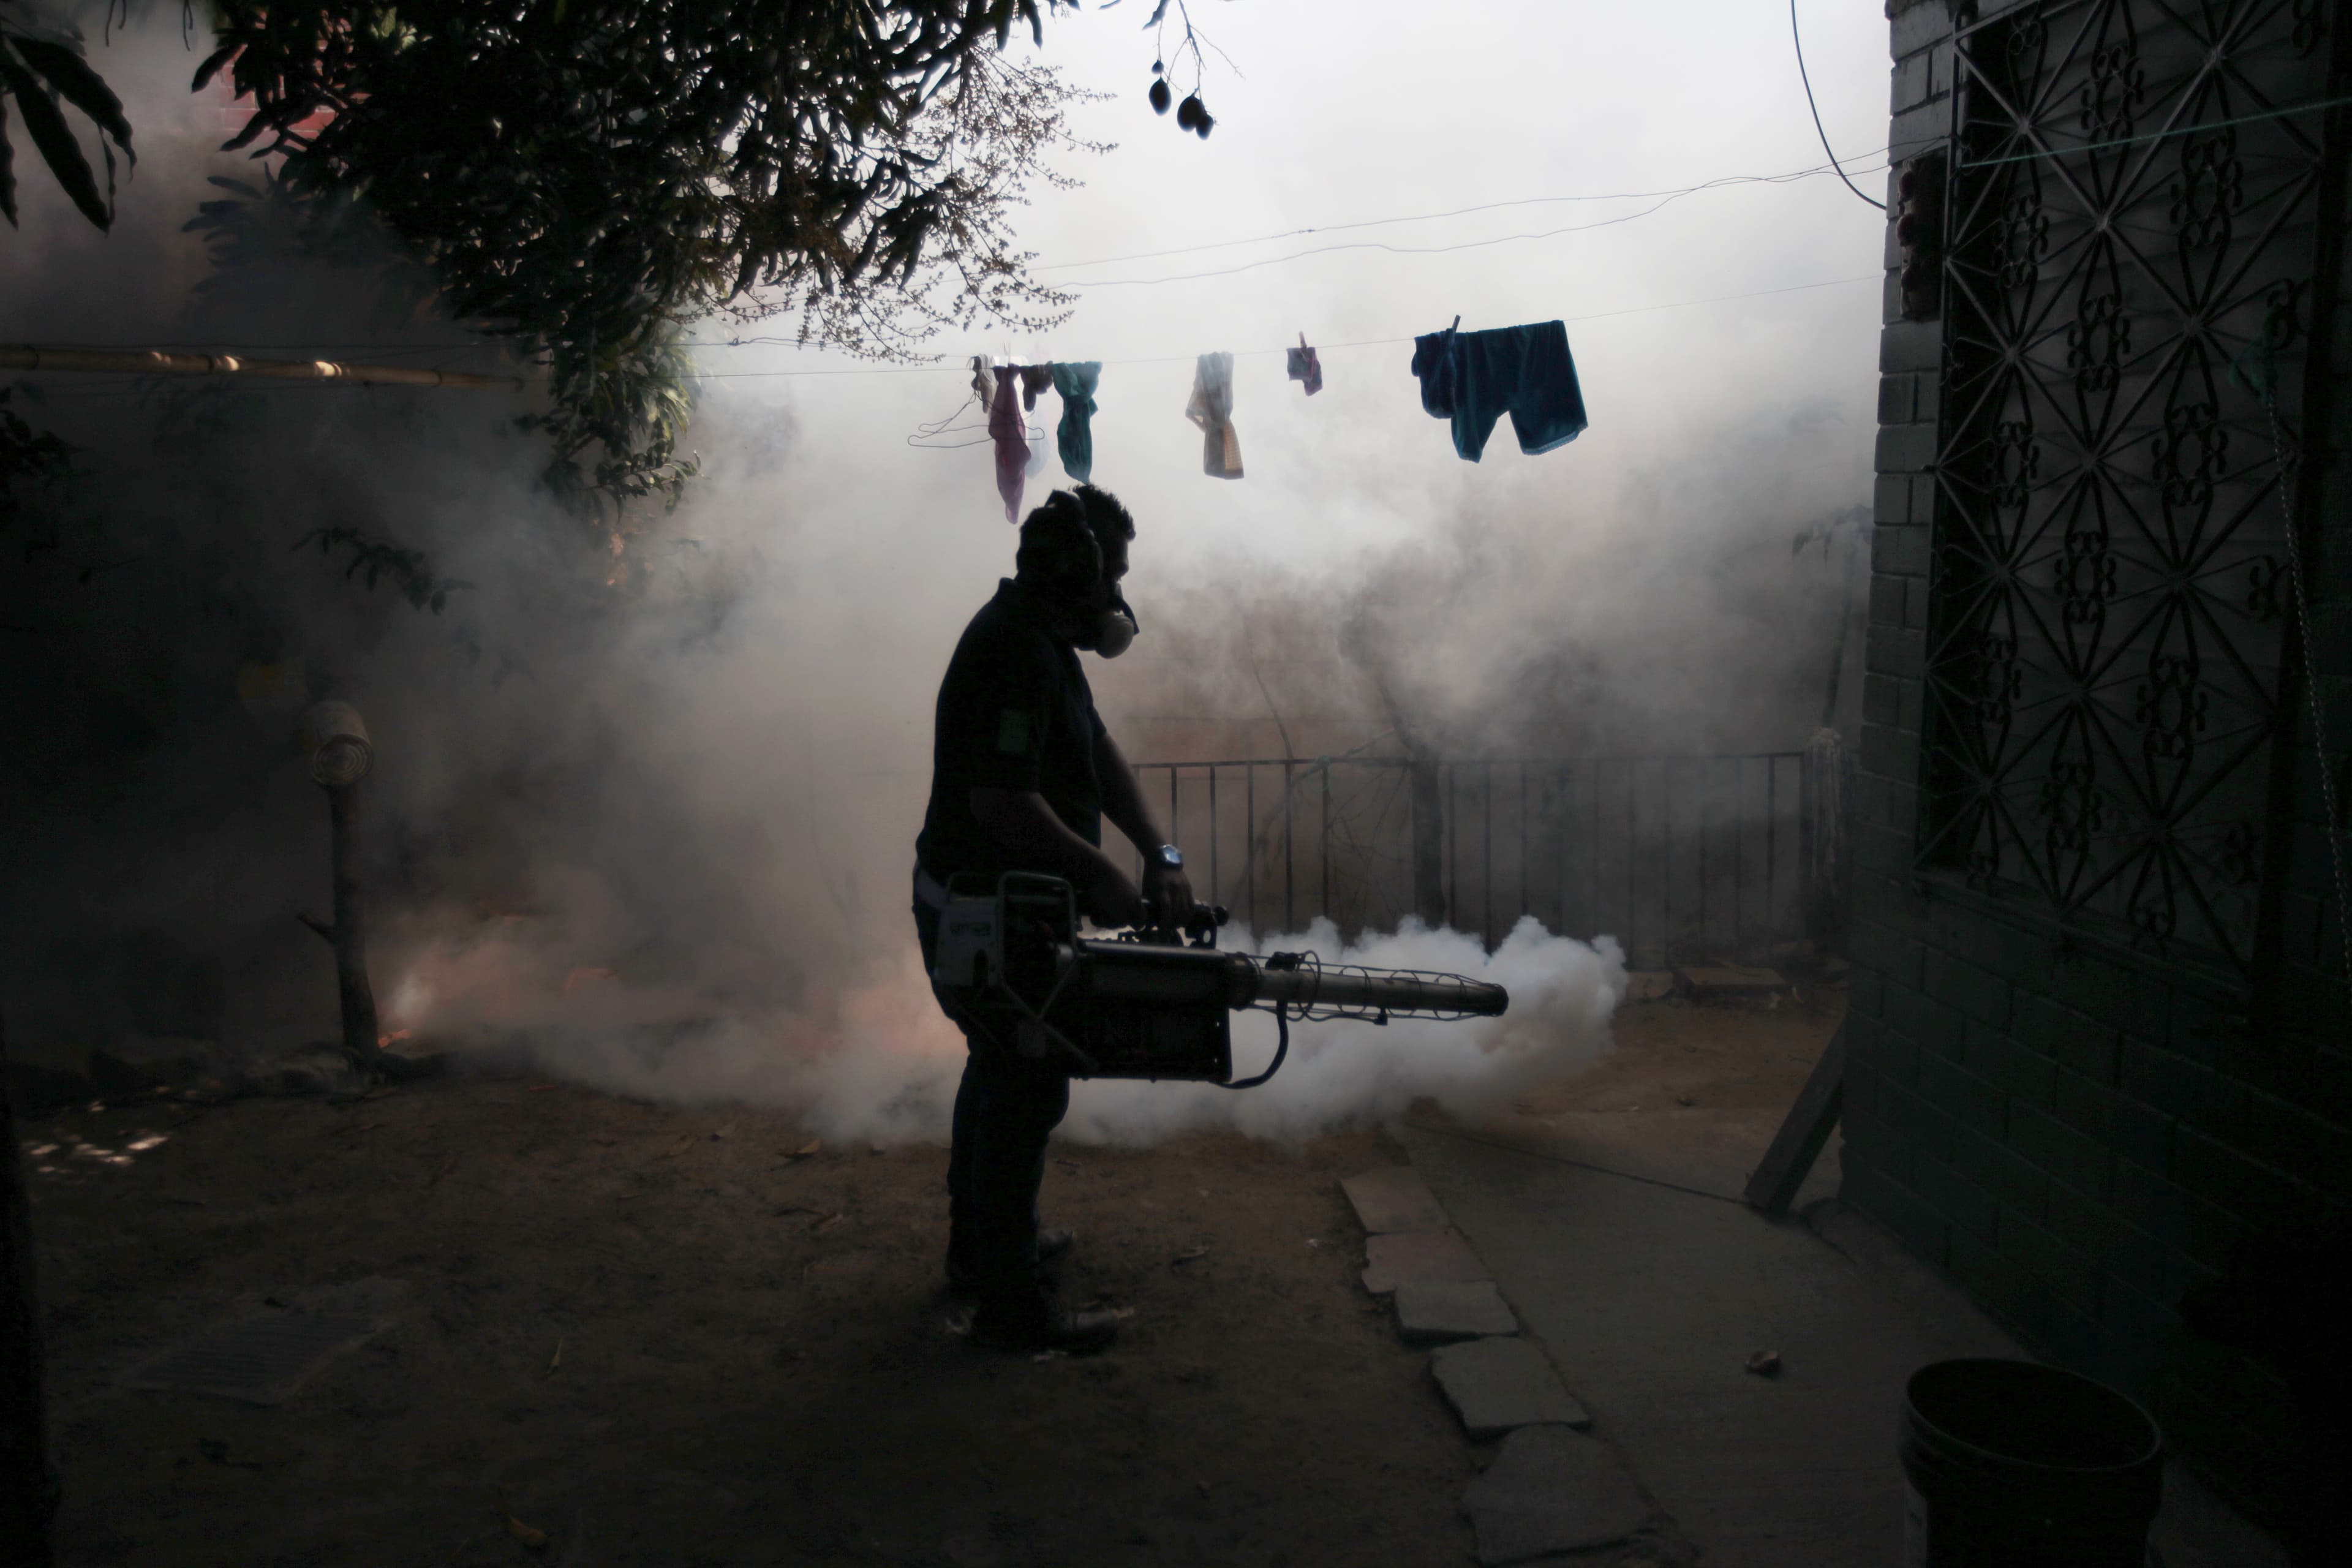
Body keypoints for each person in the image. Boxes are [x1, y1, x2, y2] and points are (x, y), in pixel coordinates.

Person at [911, 484, 1195, 1354]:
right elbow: (1002, 803)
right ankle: (1012, 1307)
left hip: (1004, 909)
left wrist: (1157, 850)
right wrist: (1103, 873)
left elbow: (1096, 753)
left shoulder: (1046, 643)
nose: (1118, 596)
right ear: (1074, 573)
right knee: (1025, 1084)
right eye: (1111, 573)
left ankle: (986, 1250)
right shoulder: (1013, 652)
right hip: (986, 914)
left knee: (1000, 1069)